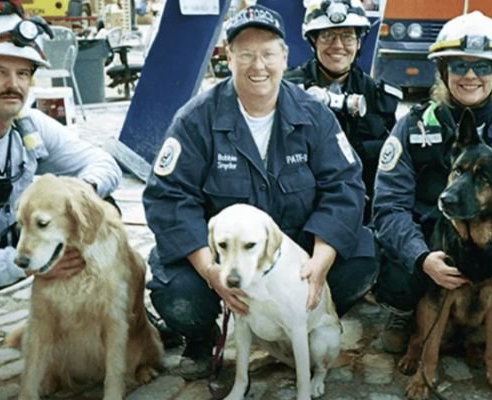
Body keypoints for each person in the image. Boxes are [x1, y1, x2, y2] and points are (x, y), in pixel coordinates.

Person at [143, 4, 378, 380]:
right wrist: (210, 270)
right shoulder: (195, 119)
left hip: (293, 248)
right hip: (226, 254)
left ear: (284, 57)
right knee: (176, 289)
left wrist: (320, 261)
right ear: (228, 57)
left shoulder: (314, 115)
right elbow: (168, 197)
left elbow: (345, 185)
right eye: (246, 54)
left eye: (268, 53)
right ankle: (202, 340)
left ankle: (299, 321)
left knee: (361, 257)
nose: (259, 66)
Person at [0, 12, 122, 394]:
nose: (13, 85)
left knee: (100, 205)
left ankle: (113, 313)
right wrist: (36, 265)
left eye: (23, 74)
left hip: (4, 241)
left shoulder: (28, 125)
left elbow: (104, 163)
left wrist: (80, 192)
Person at [371, 11, 492, 354]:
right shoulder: (412, 128)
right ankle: (408, 313)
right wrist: (421, 258)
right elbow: (388, 208)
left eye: (483, 67)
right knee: (398, 272)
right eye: (459, 66)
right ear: (444, 73)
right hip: (433, 250)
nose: (470, 76)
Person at [284, 0, 401, 223]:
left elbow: (392, 167)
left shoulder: (379, 97)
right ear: (313, 41)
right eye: (327, 36)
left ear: (358, 43)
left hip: (363, 213)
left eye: (347, 36)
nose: (338, 45)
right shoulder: (287, 90)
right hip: (301, 211)